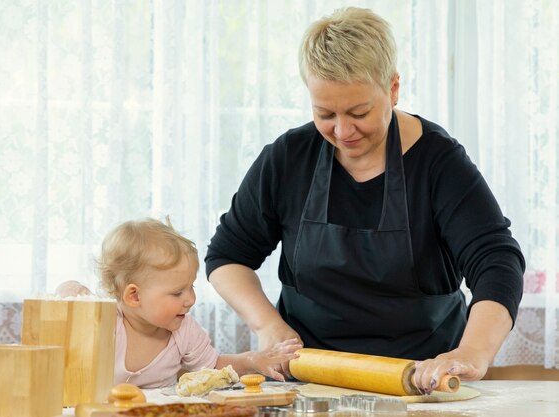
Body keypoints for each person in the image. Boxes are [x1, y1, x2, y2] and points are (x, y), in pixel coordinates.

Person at [205, 7, 524, 395]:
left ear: (392, 89)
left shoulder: (439, 162)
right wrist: (269, 327)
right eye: (325, 114)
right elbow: (227, 257)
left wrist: (471, 352)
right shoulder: (289, 157)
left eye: (359, 112)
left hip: (421, 382)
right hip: (308, 380)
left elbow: (496, 262)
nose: (342, 131)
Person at [56, 218, 302, 388]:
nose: (191, 299)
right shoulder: (106, 322)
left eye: (191, 287)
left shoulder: (184, 330)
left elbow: (213, 366)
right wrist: (75, 294)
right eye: (177, 293)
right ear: (134, 296)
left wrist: (252, 360)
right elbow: (64, 295)